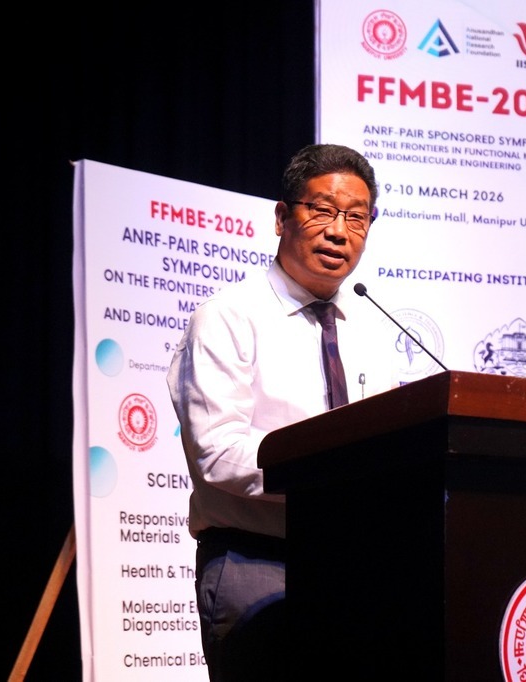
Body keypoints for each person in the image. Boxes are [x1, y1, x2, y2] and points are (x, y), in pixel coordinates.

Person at [166, 143, 400, 681]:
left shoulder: (372, 330)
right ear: (281, 217)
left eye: (357, 218)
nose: (339, 232)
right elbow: (218, 453)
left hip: (358, 565)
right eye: (322, 210)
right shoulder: (228, 317)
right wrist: (335, 479)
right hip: (256, 562)